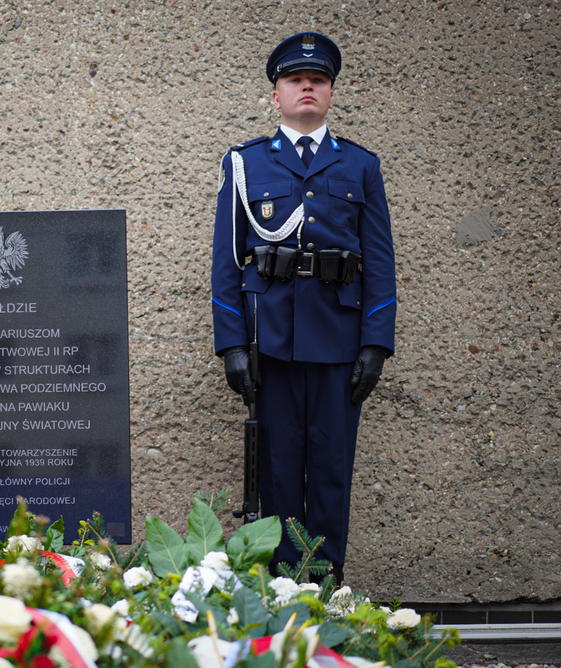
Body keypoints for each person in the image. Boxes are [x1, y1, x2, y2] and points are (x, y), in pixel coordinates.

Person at [211, 32, 396, 583]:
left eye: (317, 80)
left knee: (333, 469)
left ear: (332, 93)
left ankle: (327, 580)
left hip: (339, 340)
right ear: (277, 95)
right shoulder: (245, 164)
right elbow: (227, 259)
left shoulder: (360, 166)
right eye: (295, 80)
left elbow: (380, 260)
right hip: (271, 341)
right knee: (279, 469)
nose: (307, 87)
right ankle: (286, 586)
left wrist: (375, 343)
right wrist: (230, 345)